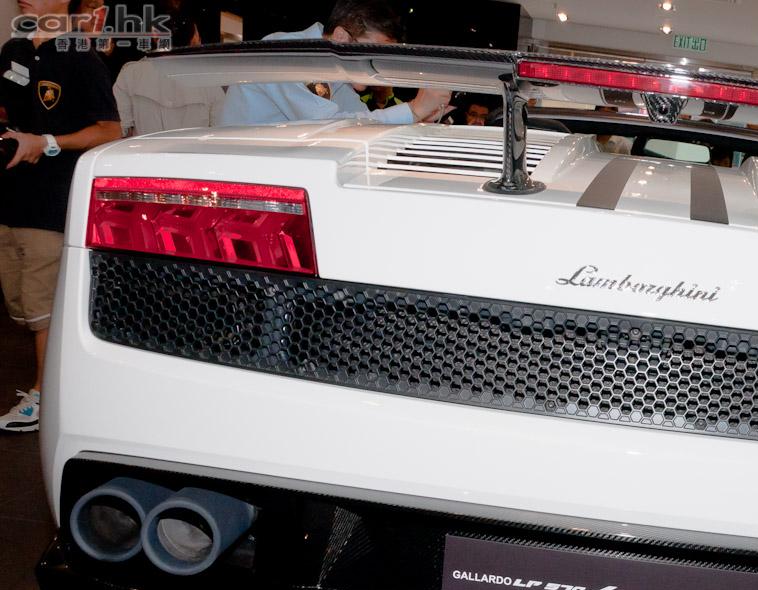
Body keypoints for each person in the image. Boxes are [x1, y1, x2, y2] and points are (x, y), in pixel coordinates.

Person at [0, 0, 122, 433]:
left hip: (53, 201)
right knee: (22, 304)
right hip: (11, 197)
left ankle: (45, 398)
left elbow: (110, 130)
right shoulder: (13, 49)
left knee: (44, 308)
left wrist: (47, 142)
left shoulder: (80, 55)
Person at [218, 0, 452, 126]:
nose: (375, 67)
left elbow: (361, 124)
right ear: (341, 36)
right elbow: (329, 126)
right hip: (239, 179)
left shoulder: (338, 76)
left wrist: (416, 117)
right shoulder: (287, 53)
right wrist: (413, 110)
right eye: (371, 53)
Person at [113, 6, 225, 136]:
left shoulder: (130, 74)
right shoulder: (210, 83)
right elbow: (220, 133)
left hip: (144, 149)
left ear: (156, 37)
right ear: (194, 40)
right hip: (194, 149)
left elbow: (121, 130)